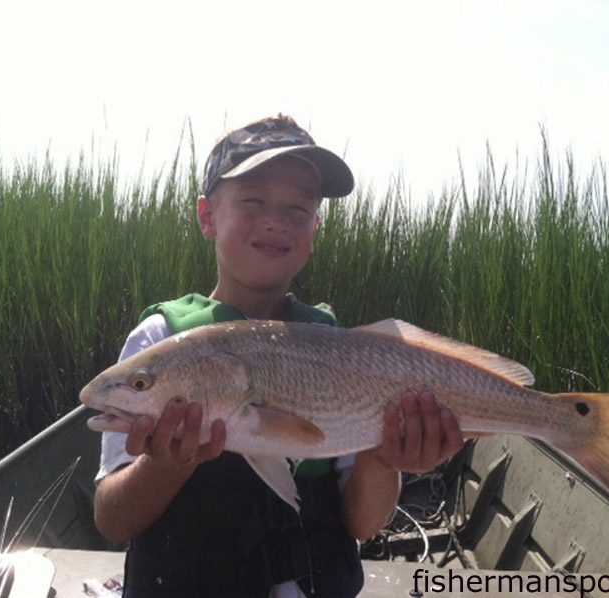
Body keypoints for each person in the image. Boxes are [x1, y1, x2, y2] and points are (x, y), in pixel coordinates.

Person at [93, 114, 465, 597]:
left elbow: (365, 525)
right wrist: (165, 464)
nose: (275, 220)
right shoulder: (160, 338)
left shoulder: (338, 345)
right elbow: (111, 521)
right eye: (253, 200)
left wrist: (384, 459)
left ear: (316, 228)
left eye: (298, 208)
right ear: (208, 216)